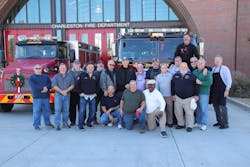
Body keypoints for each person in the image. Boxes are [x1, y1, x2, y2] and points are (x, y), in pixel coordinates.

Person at [171, 62, 199, 132]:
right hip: (178, 98)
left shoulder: (192, 75)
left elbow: (197, 85)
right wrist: (173, 94)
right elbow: (172, 85)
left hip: (189, 98)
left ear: (187, 67)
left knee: (189, 113)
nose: (183, 67)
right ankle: (181, 124)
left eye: (184, 66)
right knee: (178, 112)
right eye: (182, 66)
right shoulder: (175, 75)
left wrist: (196, 95)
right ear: (179, 67)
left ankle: (189, 126)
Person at [29, 64, 54, 130]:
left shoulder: (46, 76)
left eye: (39, 68)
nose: (38, 69)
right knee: (37, 111)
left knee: (47, 111)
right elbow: (33, 86)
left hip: (46, 97)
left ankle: (48, 123)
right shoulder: (32, 77)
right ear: (34, 70)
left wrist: (47, 88)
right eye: (36, 68)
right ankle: (36, 125)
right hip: (37, 98)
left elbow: (50, 83)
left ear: (41, 69)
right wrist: (42, 89)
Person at [210, 55, 232, 129]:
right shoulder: (213, 69)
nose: (217, 62)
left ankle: (225, 124)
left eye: (218, 61)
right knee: (215, 106)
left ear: (221, 61)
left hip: (222, 91)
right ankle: (219, 121)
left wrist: (227, 90)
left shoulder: (225, 69)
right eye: (215, 60)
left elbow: (229, 80)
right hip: (214, 91)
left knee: (223, 107)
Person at [77, 63, 99, 130]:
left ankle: (89, 122)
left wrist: (96, 93)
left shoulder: (96, 75)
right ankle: (80, 125)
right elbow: (77, 85)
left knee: (93, 111)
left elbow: (98, 85)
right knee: (82, 111)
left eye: (92, 67)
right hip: (84, 96)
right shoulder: (82, 75)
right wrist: (80, 93)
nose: (90, 68)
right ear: (86, 68)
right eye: (89, 67)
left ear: (93, 68)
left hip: (92, 96)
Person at [52, 63, 74, 130]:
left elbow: (72, 85)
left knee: (66, 110)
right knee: (58, 110)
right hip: (58, 95)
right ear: (59, 69)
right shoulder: (56, 76)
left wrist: (66, 91)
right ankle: (57, 125)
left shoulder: (70, 76)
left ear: (66, 69)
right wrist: (62, 92)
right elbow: (54, 86)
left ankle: (65, 123)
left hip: (67, 95)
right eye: (61, 68)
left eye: (64, 68)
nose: (63, 69)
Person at [193, 58, 213, 130]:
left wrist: (201, 82)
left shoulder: (207, 72)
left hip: (203, 93)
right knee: (197, 108)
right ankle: (198, 122)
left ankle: (204, 123)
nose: (200, 64)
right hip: (196, 93)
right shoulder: (194, 72)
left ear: (204, 64)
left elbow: (210, 82)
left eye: (201, 63)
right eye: (199, 63)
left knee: (203, 109)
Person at [68, 59, 83, 126]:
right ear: (73, 64)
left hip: (81, 93)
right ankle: (72, 121)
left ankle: (81, 121)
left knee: (82, 108)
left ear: (80, 64)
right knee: (72, 108)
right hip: (72, 92)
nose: (77, 65)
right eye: (75, 63)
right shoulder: (69, 72)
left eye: (78, 63)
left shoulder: (83, 72)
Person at [94, 60, 105, 124]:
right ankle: (94, 119)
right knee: (94, 106)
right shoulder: (94, 73)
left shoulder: (105, 72)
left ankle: (103, 118)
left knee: (103, 106)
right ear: (97, 65)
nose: (100, 65)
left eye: (101, 63)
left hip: (103, 91)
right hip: (96, 92)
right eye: (99, 63)